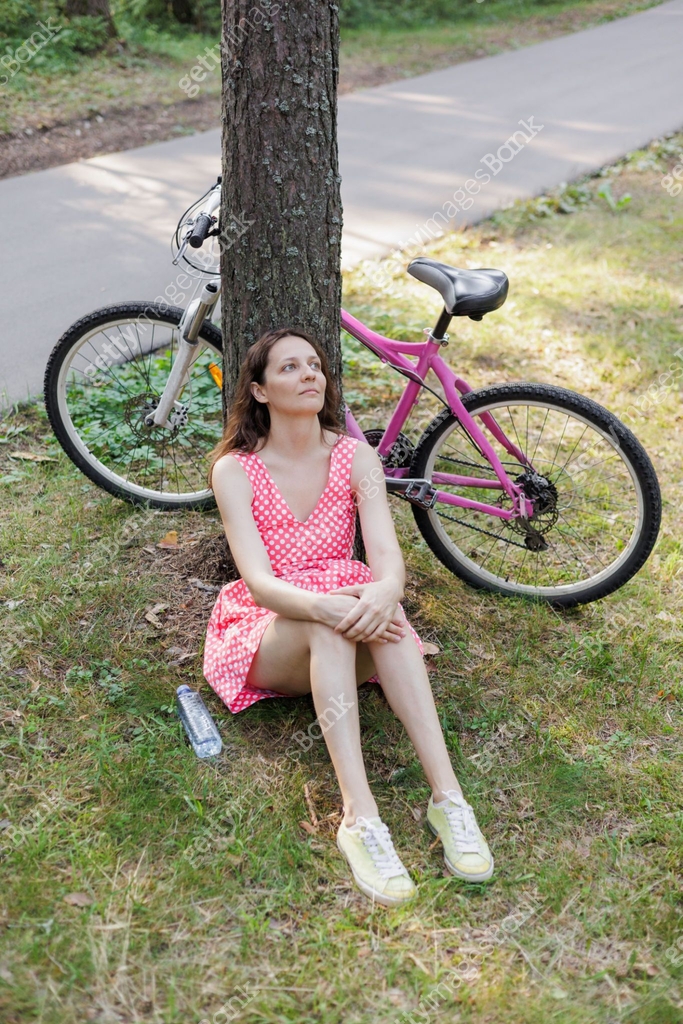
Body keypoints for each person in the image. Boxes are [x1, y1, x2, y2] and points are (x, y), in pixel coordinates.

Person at [203, 326, 493, 906]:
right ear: (258, 391)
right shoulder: (235, 470)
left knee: (378, 611)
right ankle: (360, 818)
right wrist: (331, 606)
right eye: (289, 368)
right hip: (271, 630)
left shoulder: (356, 457)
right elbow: (260, 584)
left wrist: (385, 593)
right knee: (328, 622)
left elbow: (386, 559)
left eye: (314, 364)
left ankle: (448, 800)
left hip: (351, 613)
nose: (310, 374)